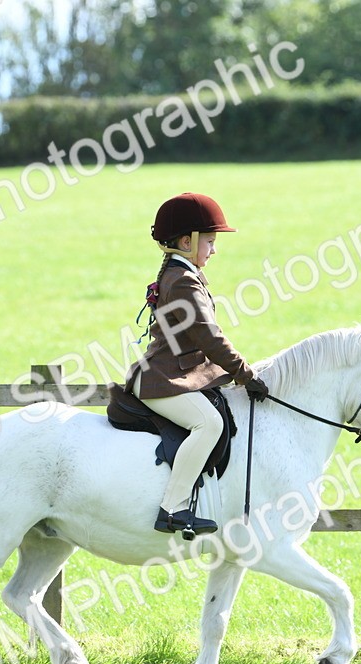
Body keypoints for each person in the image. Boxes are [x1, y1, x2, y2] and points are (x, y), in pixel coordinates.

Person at [125, 192, 269, 536]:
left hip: (173, 374)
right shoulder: (184, 280)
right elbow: (209, 337)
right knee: (209, 424)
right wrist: (244, 374)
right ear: (187, 241)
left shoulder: (180, 273)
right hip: (163, 380)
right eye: (210, 241)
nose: (214, 249)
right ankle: (173, 509)